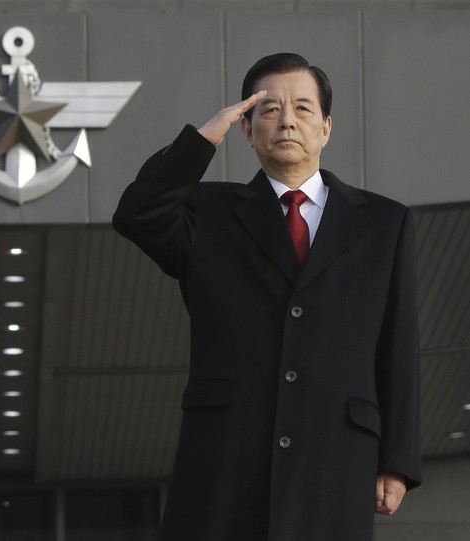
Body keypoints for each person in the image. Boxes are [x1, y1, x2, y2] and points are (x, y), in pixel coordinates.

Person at [112, 53, 421, 540]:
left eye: (302, 108)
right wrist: (202, 139)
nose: (287, 121)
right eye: (269, 110)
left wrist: (397, 461)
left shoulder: (384, 222)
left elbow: (398, 345)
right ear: (246, 129)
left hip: (335, 454)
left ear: (326, 127)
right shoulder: (205, 212)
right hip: (226, 454)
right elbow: (135, 214)